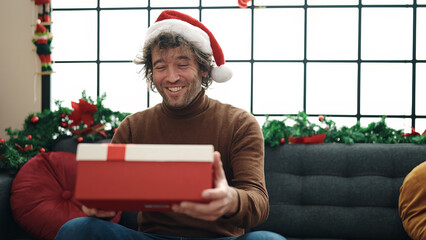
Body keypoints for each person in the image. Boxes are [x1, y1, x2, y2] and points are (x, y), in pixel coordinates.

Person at [55, 10, 286, 240]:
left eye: (182, 64)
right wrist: (101, 208)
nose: (171, 77)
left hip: (220, 239)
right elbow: (109, 202)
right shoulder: (133, 127)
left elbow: (259, 203)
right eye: (160, 67)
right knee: (76, 230)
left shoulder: (240, 124)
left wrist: (230, 200)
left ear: (204, 69)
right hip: (152, 237)